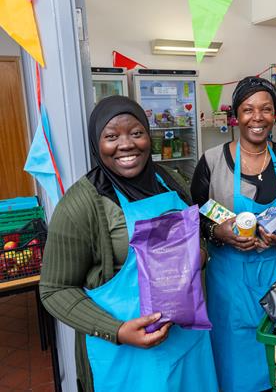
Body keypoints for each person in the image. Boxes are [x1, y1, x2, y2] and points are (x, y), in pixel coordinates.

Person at [40, 96, 217, 392]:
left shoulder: (171, 180)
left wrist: (200, 256)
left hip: (186, 341)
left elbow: (196, 236)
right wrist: (118, 331)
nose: (126, 144)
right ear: (97, 144)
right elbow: (54, 290)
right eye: (111, 136)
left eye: (136, 133)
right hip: (126, 354)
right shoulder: (81, 204)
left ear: (149, 136)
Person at [191, 77, 276, 392]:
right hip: (229, 278)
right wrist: (219, 232)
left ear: (275, 113)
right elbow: (196, 215)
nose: (257, 118)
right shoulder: (212, 162)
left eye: (265, 109)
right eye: (248, 110)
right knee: (234, 362)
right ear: (236, 116)